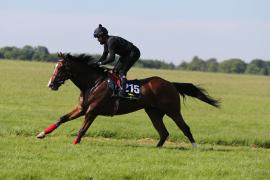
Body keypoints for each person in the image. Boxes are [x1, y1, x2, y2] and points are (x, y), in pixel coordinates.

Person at [93, 24, 140, 97]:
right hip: (126, 54)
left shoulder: (111, 41)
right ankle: (118, 88)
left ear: (103, 36)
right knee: (115, 71)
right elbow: (104, 56)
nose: (97, 40)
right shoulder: (106, 43)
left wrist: (100, 63)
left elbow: (111, 58)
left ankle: (124, 91)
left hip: (133, 53)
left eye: (98, 37)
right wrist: (96, 63)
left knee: (122, 71)